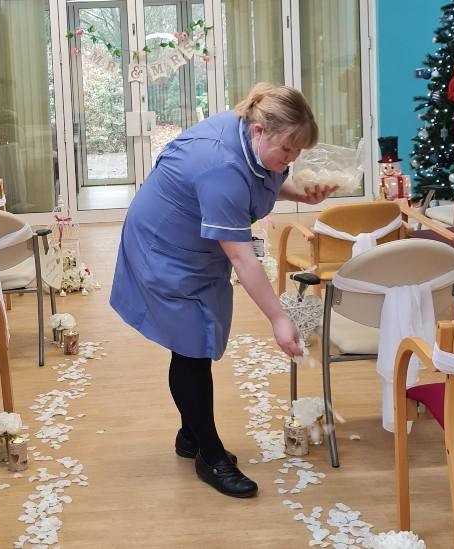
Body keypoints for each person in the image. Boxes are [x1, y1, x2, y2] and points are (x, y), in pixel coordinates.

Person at [110, 83, 336, 498]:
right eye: (287, 149)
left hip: (195, 242)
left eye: (298, 151)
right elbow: (243, 258)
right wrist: (278, 319)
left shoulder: (250, 139)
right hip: (164, 247)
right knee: (191, 346)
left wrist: (299, 191)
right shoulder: (221, 168)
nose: (292, 160)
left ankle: (189, 434)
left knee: (200, 333)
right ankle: (210, 456)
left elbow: (261, 181)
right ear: (258, 131)